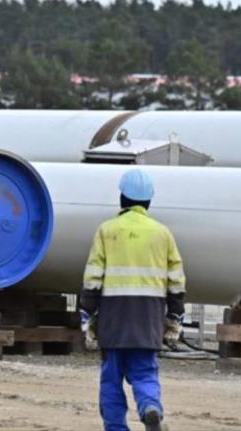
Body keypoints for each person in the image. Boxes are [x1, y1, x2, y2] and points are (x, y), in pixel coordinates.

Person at [80, 169, 186, 431]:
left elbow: (93, 277)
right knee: (144, 372)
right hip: (149, 317)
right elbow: (176, 280)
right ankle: (150, 407)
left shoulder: (107, 231)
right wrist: (175, 314)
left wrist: (87, 312)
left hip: (113, 317)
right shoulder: (162, 233)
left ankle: (116, 427)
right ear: (148, 200)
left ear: (122, 198)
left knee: (111, 378)